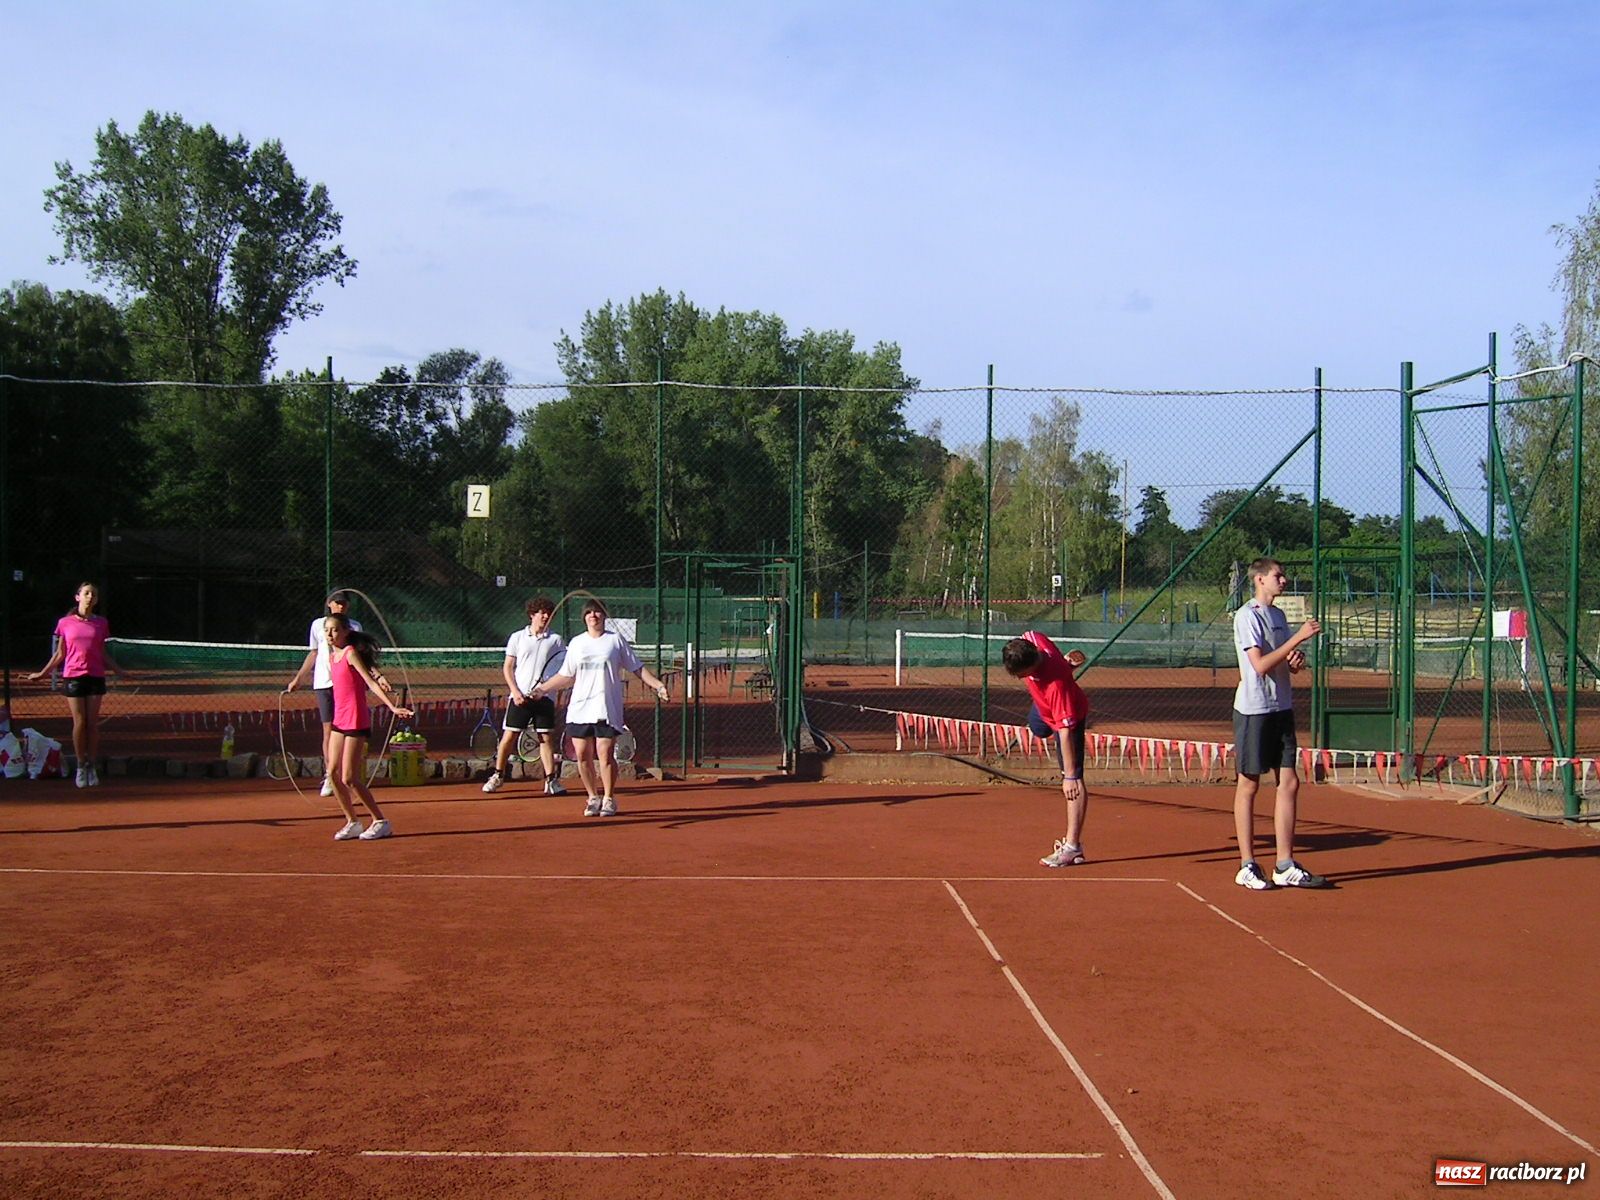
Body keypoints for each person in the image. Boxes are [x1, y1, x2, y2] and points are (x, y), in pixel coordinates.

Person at [1231, 557, 1328, 890]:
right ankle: (1247, 864)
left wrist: (1295, 661)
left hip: (1281, 707)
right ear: (1260, 579)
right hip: (1254, 710)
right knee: (1249, 785)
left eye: (1283, 575)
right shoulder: (1247, 616)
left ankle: (1284, 864)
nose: (1283, 580)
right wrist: (1297, 639)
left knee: (1289, 782)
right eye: (1277, 575)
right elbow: (1258, 665)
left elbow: (1281, 661)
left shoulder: (1278, 616)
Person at [530, 598, 670, 817]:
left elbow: (637, 668)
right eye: (589, 613)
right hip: (579, 708)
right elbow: (566, 675)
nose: (593, 616)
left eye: (597, 612)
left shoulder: (615, 641)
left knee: (605, 755)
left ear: (604, 616)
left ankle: (608, 798)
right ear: (584, 618)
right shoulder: (577, 643)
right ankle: (592, 797)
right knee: (582, 756)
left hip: (606, 708)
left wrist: (658, 685)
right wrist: (542, 689)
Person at [1001, 631, 1091, 867]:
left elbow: (1064, 733)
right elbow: (1027, 633)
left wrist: (1069, 777)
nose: (1019, 678)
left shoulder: (1056, 686)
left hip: (1068, 716)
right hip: (1044, 712)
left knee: (1075, 781)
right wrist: (1065, 662)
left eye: (1022, 675)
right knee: (1038, 728)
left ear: (1032, 666)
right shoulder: (1033, 641)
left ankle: (1072, 847)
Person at [28, 582, 130, 788]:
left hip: (95, 676)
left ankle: (91, 765)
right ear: (78, 597)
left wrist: (120, 671)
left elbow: (101, 652)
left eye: (93, 594)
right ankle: (80, 766)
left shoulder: (101, 623)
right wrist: (41, 674)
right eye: (86, 593)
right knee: (80, 722)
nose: (90, 597)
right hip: (73, 676)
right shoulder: (64, 623)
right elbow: (60, 654)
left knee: (92, 723)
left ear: (97, 600)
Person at [286, 592, 388, 798]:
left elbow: (362, 658)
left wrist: (379, 676)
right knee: (329, 731)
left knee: (352, 733)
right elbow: (313, 652)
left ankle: (349, 776)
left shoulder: (354, 628)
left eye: (344, 603)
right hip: (324, 684)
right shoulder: (317, 626)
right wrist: (298, 679)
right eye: (337, 603)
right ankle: (330, 776)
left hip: (349, 688)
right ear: (329, 604)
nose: (340, 607)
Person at [323, 611, 412, 841]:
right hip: (339, 718)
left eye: (334, 630)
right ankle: (352, 821)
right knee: (332, 772)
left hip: (355, 718)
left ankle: (380, 821)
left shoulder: (351, 653)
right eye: (327, 630)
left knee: (349, 778)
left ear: (346, 632)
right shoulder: (332, 657)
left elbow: (370, 683)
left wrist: (392, 707)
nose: (330, 635)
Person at [483, 596, 567, 796]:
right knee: (509, 736)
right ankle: (498, 776)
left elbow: (562, 670)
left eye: (548, 613)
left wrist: (544, 690)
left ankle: (551, 781)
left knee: (545, 738)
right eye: (541, 612)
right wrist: (516, 692)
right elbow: (508, 667)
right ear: (532, 615)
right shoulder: (517, 637)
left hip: (544, 698)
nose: (546, 616)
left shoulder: (556, 640)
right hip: (519, 698)